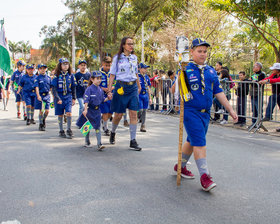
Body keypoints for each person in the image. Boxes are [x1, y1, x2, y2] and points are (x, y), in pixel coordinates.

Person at [173, 38, 238, 192]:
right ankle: (205, 177)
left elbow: (218, 91)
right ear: (191, 52)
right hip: (190, 111)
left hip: (205, 113)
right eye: (199, 51)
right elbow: (174, 91)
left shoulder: (210, 71)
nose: (202, 54)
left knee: (192, 141)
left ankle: (179, 166)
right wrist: (179, 77)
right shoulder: (185, 69)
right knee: (200, 142)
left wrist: (230, 109)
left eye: (204, 51)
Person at [107, 36, 142, 151]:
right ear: (123, 45)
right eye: (129, 44)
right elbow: (112, 75)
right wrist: (109, 90)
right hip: (121, 87)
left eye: (132, 43)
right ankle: (113, 132)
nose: (131, 46)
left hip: (132, 88)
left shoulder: (134, 58)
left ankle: (133, 140)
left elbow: (136, 73)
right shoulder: (117, 58)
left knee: (133, 114)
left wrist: (139, 84)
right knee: (118, 115)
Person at [77, 71, 107, 150]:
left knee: (98, 127)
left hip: (97, 111)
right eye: (97, 78)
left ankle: (99, 144)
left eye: (100, 78)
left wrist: (108, 98)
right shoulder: (89, 89)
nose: (99, 80)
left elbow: (102, 100)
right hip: (90, 110)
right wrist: (85, 109)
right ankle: (87, 141)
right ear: (92, 79)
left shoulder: (100, 90)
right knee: (87, 126)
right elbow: (86, 100)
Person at [51, 58, 77, 138]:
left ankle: (69, 129)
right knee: (60, 114)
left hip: (68, 96)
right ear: (60, 65)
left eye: (67, 64)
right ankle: (61, 130)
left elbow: (73, 87)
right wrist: (57, 98)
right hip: (59, 96)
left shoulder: (71, 75)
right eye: (63, 64)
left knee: (69, 113)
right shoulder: (56, 76)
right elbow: (54, 89)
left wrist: (74, 98)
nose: (65, 66)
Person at [34, 64, 52, 131]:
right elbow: (37, 87)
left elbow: (51, 87)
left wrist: (53, 96)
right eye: (41, 68)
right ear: (38, 70)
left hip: (47, 95)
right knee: (41, 110)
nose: (42, 70)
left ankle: (43, 119)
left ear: (46, 69)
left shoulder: (48, 78)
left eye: (44, 68)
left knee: (47, 111)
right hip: (41, 95)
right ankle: (41, 124)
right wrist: (38, 95)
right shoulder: (37, 78)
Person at [248, 62, 265, 129]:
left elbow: (256, 82)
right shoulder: (254, 74)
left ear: (258, 67)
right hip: (253, 94)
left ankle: (259, 123)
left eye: (255, 66)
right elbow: (251, 81)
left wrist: (253, 81)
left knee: (259, 109)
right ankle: (254, 122)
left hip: (258, 93)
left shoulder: (262, 74)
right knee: (253, 109)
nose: (253, 68)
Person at [100, 56, 114, 136]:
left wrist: (111, 88)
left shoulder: (112, 73)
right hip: (102, 96)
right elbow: (95, 84)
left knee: (110, 113)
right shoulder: (99, 74)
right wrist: (104, 89)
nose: (108, 67)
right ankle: (105, 128)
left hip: (111, 95)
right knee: (105, 112)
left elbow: (115, 83)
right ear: (103, 64)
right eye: (106, 65)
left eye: (109, 66)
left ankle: (103, 120)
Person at [138, 63, 152, 132]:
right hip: (139, 95)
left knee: (144, 110)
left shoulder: (146, 77)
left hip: (145, 95)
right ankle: (138, 115)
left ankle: (143, 125)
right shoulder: (137, 76)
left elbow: (149, 87)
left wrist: (150, 98)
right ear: (140, 68)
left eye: (146, 68)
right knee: (140, 110)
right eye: (144, 68)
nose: (146, 70)